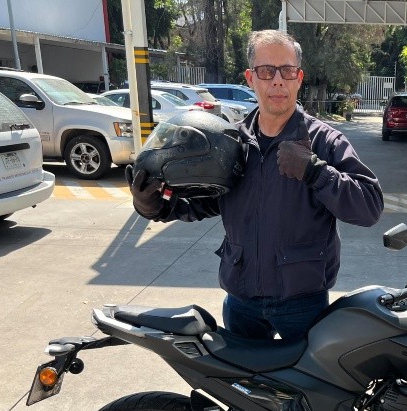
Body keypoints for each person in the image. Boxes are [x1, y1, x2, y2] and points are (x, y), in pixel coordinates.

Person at [128, 29, 384, 342]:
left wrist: (315, 172)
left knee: (309, 377)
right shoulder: (229, 143)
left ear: (299, 78)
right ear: (251, 78)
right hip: (242, 300)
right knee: (240, 375)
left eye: (287, 71)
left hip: (302, 303)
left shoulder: (324, 141)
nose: (277, 81)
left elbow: (369, 207)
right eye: (266, 71)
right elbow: (204, 201)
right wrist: (152, 204)